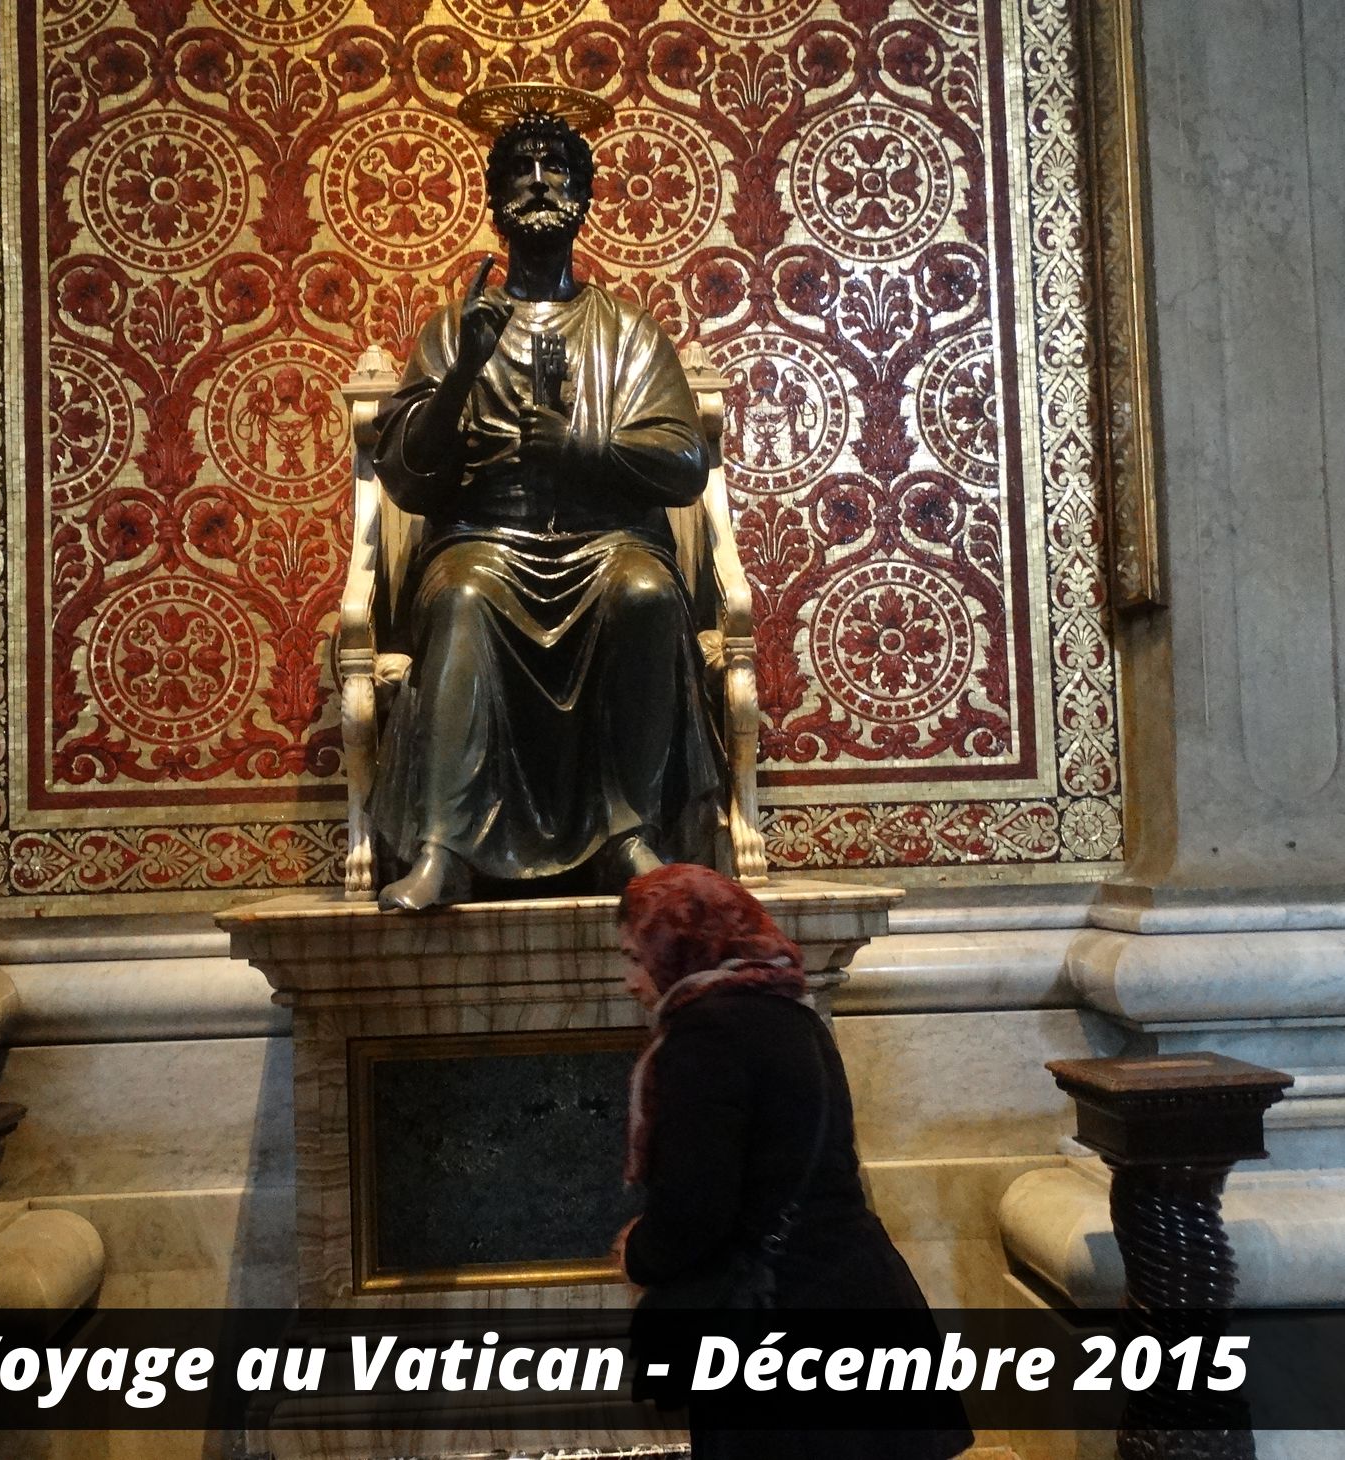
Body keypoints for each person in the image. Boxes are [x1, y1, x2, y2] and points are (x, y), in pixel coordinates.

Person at [368, 87, 729, 911]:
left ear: (584, 194)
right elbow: (408, 477)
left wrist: (582, 448)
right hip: (485, 542)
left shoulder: (630, 333)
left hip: (609, 542)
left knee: (646, 593)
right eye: (520, 169)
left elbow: (683, 461)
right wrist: (463, 370)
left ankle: (628, 835)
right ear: (496, 199)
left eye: (556, 167)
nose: (538, 180)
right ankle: (445, 847)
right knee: (461, 600)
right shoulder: (452, 328)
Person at [615, 863, 974, 1460]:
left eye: (635, 957)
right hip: (861, 1298)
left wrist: (638, 1253)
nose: (629, 981)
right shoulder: (794, 1016)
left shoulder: (705, 1037)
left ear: (678, 947)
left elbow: (697, 1209)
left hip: (781, 1327)